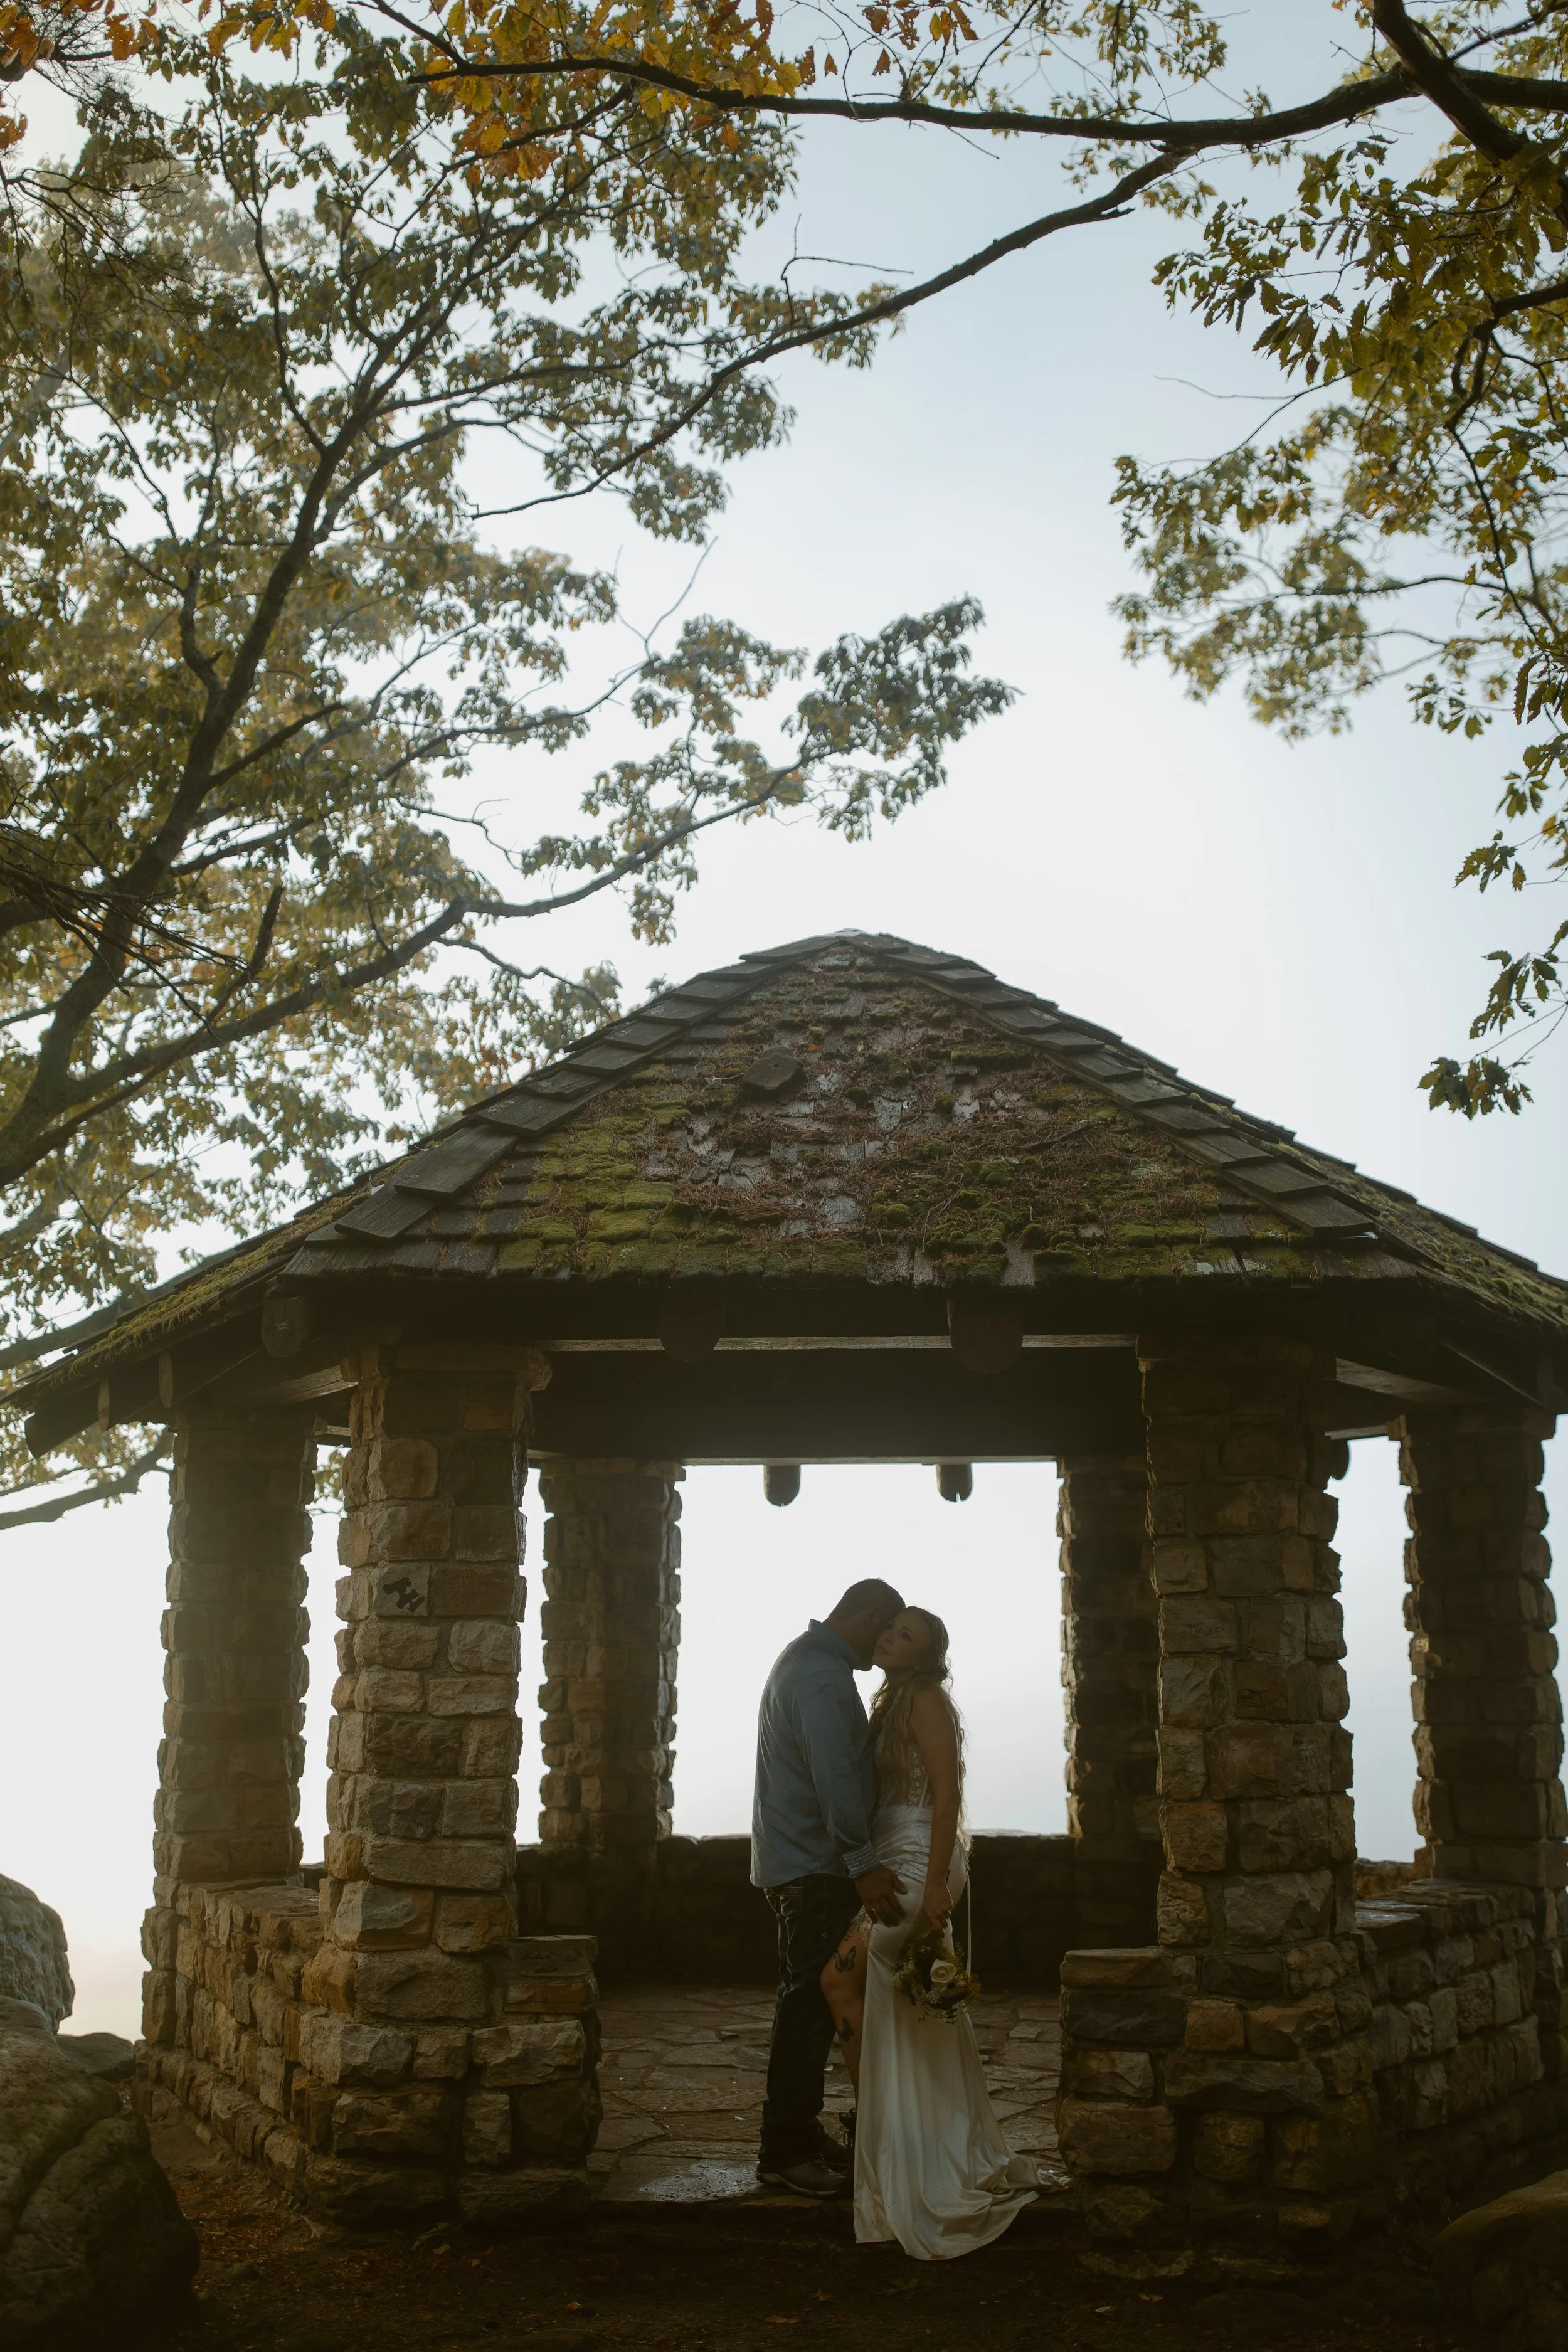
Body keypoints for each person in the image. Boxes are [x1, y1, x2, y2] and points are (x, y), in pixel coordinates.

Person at [820, 1606, 1038, 2260]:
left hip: (919, 1864)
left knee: (839, 1980)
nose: (888, 1637)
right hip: (898, 1856)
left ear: (924, 1654)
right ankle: (913, 2141)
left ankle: (885, 2138)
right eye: (887, 1629)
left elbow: (947, 1796)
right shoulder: (894, 1697)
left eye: (904, 1635)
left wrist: (939, 1882)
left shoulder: (927, 1701)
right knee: (908, 2012)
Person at [750, 1577, 907, 2196]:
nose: (885, 1645)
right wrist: (864, 1863)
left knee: (808, 2002)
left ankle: (796, 2133)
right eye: (886, 1630)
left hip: (803, 1864)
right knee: (807, 2008)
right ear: (867, 1616)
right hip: (815, 1869)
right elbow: (835, 1778)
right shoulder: (820, 1675)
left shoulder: (808, 1660)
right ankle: (784, 2150)